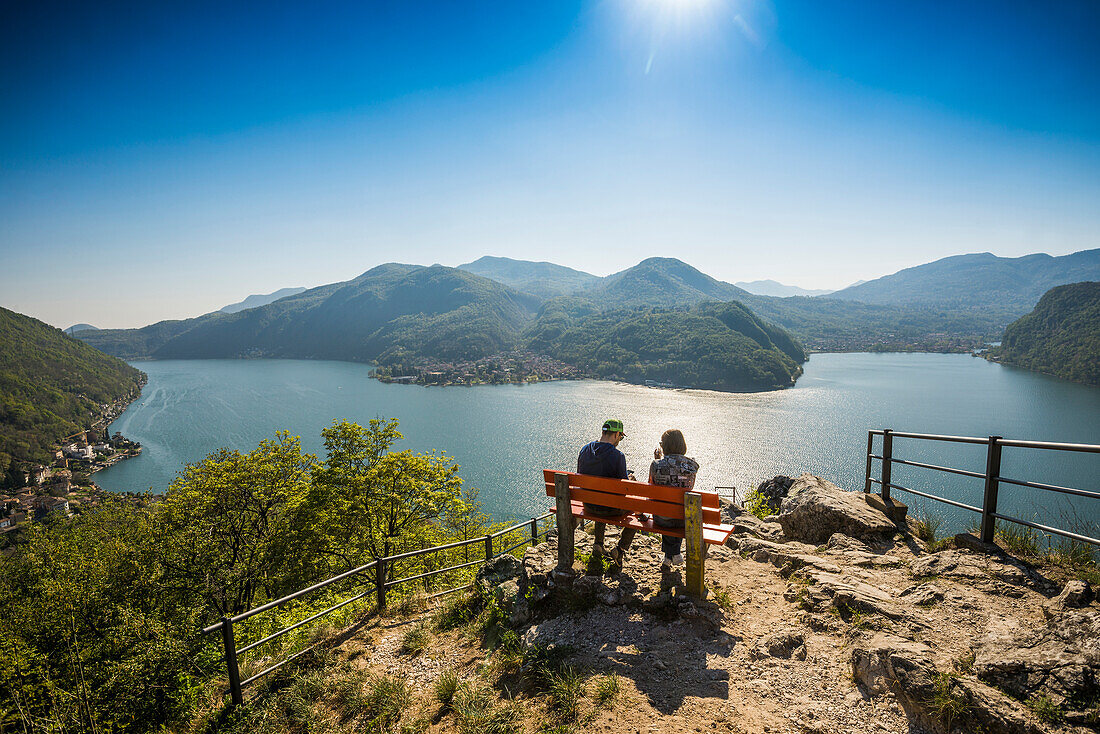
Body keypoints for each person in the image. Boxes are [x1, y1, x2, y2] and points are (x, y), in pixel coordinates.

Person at [576, 418, 638, 564]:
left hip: (589, 505)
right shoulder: (618, 456)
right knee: (638, 507)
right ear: (616, 434)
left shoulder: (584, 450)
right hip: (611, 509)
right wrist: (630, 480)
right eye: (621, 437)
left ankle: (598, 544)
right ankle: (620, 549)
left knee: (599, 495)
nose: (620, 440)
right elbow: (623, 491)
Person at [649, 428, 700, 572]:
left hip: (661, 517)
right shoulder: (692, 465)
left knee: (665, 507)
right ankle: (673, 554)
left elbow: (652, 487)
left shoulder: (656, 465)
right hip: (685, 518)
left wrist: (658, 460)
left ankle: (669, 557)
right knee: (677, 509)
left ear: (664, 446)